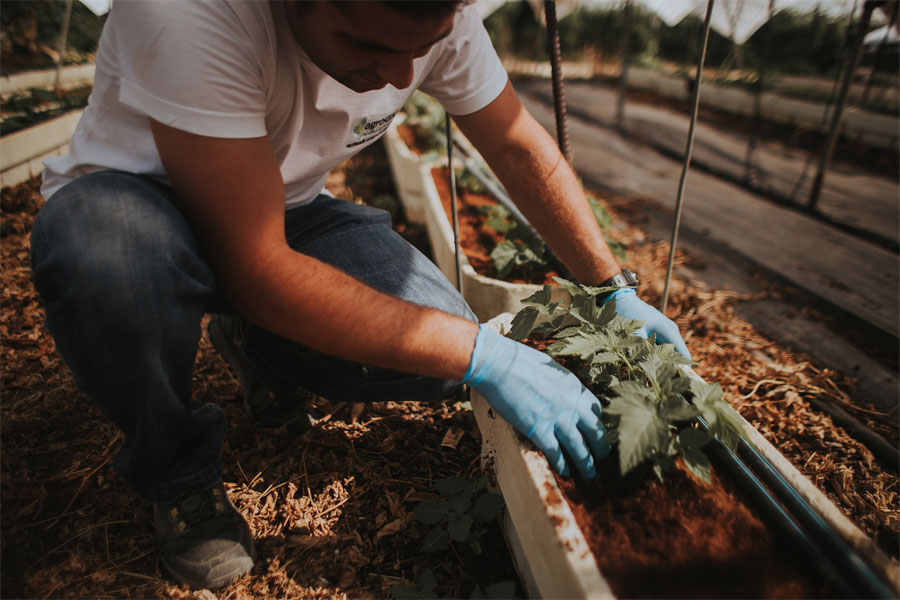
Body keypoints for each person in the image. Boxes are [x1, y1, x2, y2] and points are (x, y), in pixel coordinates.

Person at [30, 0, 692, 591]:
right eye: (369, 47)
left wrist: (611, 287)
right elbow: (258, 269)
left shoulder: (440, 19)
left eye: (418, 50)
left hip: (285, 213)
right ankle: (177, 474)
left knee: (437, 338)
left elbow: (518, 146)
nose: (402, 76)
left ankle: (260, 344)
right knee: (106, 256)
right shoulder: (189, 11)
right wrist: (487, 357)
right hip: (140, 205)